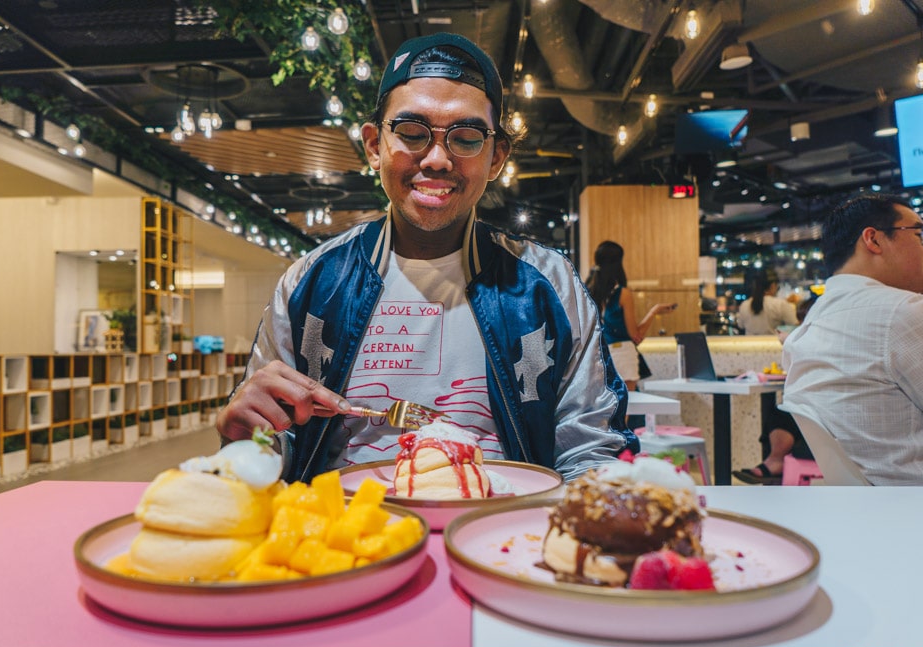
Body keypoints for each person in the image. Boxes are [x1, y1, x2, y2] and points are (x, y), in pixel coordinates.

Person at [216, 32, 637, 483]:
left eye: (467, 137)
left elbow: (594, 449)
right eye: (413, 133)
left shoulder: (547, 285)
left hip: (499, 539)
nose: (436, 159)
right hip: (341, 539)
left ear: (496, 157)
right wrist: (246, 445)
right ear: (375, 145)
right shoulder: (313, 282)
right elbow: (268, 449)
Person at [781, 194, 923, 485]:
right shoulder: (903, 311)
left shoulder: (810, 326)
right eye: (918, 234)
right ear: (873, 240)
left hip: (866, 506)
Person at [732, 297, 816, 485]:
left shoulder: (820, 342)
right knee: (782, 410)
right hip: (816, 410)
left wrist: (791, 344)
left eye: (805, 321)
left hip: (827, 421)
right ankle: (775, 460)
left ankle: (775, 461)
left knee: (787, 411)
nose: (801, 326)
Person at [585, 240, 676, 391]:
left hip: (599, 356)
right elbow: (636, 335)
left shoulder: (589, 292)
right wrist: (654, 311)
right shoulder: (623, 294)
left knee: (605, 411)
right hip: (623, 355)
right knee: (626, 409)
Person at [735, 268, 797, 335]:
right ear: (773, 285)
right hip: (772, 344)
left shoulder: (744, 305)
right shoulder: (780, 304)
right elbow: (794, 324)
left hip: (749, 344)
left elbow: (740, 325)